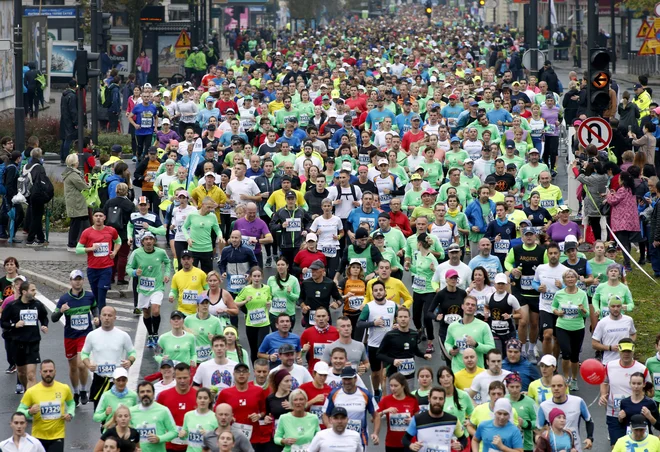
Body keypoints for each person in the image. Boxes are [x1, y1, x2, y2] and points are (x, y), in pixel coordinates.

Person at [52, 269, 98, 406]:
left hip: (85, 335)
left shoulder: (89, 296)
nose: (77, 282)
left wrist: (96, 317)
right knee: (72, 367)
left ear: (83, 281)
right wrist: (61, 311)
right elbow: (53, 318)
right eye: (75, 279)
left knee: (81, 365)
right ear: (70, 281)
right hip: (70, 336)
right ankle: (76, 391)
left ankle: (84, 390)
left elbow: (94, 308)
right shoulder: (64, 299)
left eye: (80, 279)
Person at [600, 338, 652, 446]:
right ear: (619, 350)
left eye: (629, 351)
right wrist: (603, 395)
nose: (626, 354)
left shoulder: (642, 369)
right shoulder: (609, 366)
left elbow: (650, 391)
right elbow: (604, 382)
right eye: (623, 351)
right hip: (613, 413)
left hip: (635, 415)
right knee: (616, 447)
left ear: (633, 351)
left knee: (636, 447)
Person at [82, 306, 137, 409]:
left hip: (116, 381)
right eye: (104, 315)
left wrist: (130, 361)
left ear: (115, 318)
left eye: (110, 315)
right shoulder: (92, 335)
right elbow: (84, 354)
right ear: (100, 317)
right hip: (99, 380)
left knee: (117, 413)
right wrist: (89, 365)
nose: (107, 318)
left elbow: (133, 352)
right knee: (99, 414)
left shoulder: (123, 335)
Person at [0, 281, 49, 393]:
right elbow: (3, 322)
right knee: (22, 373)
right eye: (32, 290)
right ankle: (28, 391)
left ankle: (32, 401)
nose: (35, 292)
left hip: (33, 342)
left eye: (35, 290)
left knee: (31, 374)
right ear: (24, 292)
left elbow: (44, 317)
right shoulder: (12, 306)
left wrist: (45, 325)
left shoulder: (37, 305)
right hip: (17, 343)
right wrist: (14, 325)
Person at [17, 360, 75, 452]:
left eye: (51, 371)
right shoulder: (32, 391)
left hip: (57, 436)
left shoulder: (64, 388)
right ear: (40, 372)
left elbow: (71, 403)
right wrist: (29, 412)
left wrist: (70, 414)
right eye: (45, 371)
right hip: (38, 437)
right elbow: (20, 411)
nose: (48, 374)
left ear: (55, 371)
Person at [126, 231, 171, 348]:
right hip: (143, 288)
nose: (149, 241)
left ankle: (155, 334)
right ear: (142, 242)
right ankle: (150, 334)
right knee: (146, 312)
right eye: (146, 239)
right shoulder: (136, 253)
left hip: (157, 287)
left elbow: (167, 262)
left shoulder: (161, 252)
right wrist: (135, 272)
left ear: (154, 241)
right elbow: (128, 268)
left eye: (151, 239)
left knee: (155, 310)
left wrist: (166, 274)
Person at [358, 280, 398, 399]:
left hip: (389, 345)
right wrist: (373, 323)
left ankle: (387, 398)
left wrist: (397, 325)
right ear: (372, 293)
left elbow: (400, 318)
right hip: (374, 345)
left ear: (385, 292)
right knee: (375, 373)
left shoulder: (392, 305)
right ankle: (376, 392)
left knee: (385, 374)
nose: (378, 292)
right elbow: (359, 324)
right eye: (376, 290)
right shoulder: (369, 307)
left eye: (381, 290)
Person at [322, 367, 380, 449]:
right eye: (344, 379)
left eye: (349, 379)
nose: (347, 382)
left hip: (359, 439)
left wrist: (375, 433)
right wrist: (328, 425)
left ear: (355, 379)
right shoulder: (334, 393)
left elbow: (376, 415)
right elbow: (325, 414)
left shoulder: (366, 394)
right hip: (338, 438)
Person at [77, 209, 122, 311]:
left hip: (106, 269)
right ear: (92, 217)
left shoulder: (111, 230)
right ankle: (97, 318)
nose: (98, 218)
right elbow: (78, 249)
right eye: (96, 216)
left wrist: (114, 252)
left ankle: (102, 323)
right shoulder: (87, 232)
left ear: (104, 218)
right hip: (92, 269)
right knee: (96, 297)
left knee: (101, 297)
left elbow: (118, 241)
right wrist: (91, 249)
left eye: (101, 216)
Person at [551, 269, 589, 389]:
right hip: (562, 326)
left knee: (575, 356)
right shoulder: (559, 293)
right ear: (564, 280)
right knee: (566, 353)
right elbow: (553, 307)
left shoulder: (582, 294)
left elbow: (586, 314)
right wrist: (558, 312)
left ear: (576, 279)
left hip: (578, 327)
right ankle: (566, 378)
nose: (570, 279)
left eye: (572, 277)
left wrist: (582, 310)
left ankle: (574, 379)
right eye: (568, 277)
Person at [377, 307, 432, 387]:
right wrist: (393, 361)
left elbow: (415, 350)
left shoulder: (414, 334)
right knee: (394, 398)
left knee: (409, 397)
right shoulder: (390, 335)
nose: (403, 319)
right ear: (396, 319)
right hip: (394, 375)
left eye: (405, 317)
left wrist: (423, 355)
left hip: (410, 374)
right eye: (400, 317)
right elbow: (379, 354)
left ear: (409, 318)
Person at [537, 375, 594, 452]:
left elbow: (589, 420)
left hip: (575, 448)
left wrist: (589, 438)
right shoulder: (544, 406)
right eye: (553, 386)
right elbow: (538, 429)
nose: (556, 388)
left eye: (559, 385)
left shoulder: (578, 401)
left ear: (566, 387)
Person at [402, 387, 468, 452]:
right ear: (429, 399)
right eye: (434, 398)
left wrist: (460, 446)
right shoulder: (417, 419)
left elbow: (463, 439)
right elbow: (405, 439)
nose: (437, 401)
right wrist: (411, 445)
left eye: (441, 399)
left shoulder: (453, 420)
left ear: (444, 400)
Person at [533, 242, 567, 360]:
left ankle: (554, 363)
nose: (553, 255)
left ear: (559, 254)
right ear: (547, 255)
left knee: (557, 339)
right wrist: (538, 288)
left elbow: (573, 288)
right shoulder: (541, 268)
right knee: (547, 335)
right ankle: (547, 361)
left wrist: (562, 286)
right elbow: (535, 281)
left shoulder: (565, 270)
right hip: (545, 307)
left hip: (559, 309)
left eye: (555, 253)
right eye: (551, 253)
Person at [444, 295, 495, 373]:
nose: (470, 306)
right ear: (462, 306)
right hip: (457, 371)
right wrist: (450, 350)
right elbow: (447, 342)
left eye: (473, 305)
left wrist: (476, 344)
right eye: (467, 304)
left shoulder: (483, 326)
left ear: (476, 308)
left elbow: (491, 349)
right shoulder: (452, 326)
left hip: (477, 372)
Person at [129, 381, 178, 452]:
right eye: (142, 392)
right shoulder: (131, 411)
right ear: (138, 395)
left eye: (148, 391)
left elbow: (174, 432)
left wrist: (159, 438)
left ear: (153, 393)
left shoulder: (163, 410)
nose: (145, 394)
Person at [377, 373, 419, 452]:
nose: (393, 389)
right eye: (391, 386)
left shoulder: (412, 400)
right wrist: (385, 411)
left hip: (409, 443)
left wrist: (412, 420)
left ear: (403, 386)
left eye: (396, 386)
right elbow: (373, 418)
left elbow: (419, 420)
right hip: (392, 444)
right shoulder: (386, 400)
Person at [592, 296, 637, 365]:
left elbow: (633, 333)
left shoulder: (628, 320)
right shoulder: (602, 322)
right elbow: (594, 344)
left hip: (626, 361)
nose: (616, 309)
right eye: (613, 306)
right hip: (609, 362)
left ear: (621, 307)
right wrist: (610, 348)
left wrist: (629, 343)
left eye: (618, 306)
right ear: (608, 307)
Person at [24, 148, 53, 246]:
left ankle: (40, 237)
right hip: (37, 195)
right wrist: (47, 194)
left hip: (27, 193)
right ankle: (30, 238)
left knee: (36, 215)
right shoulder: (39, 168)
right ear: (40, 156)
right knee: (36, 217)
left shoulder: (27, 166)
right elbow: (42, 183)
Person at [62, 153, 90, 251]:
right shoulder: (73, 175)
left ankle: (77, 242)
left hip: (75, 201)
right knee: (75, 223)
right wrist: (89, 185)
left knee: (78, 222)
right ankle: (72, 244)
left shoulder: (70, 173)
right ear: (75, 163)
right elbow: (83, 186)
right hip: (76, 202)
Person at [169, 250, 209, 317]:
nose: (186, 261)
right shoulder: (176, 276)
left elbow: (208, 288)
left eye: (188, 259)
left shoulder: (201, 273)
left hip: (198, 312)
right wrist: (171, 296)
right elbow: (173, 291)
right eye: (184, 259)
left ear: (192, 260)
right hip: (182, 311)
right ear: (181, 261)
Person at [504, 372, 536, 452]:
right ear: (507, 387)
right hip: (507, 446)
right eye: (512, 387)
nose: (514, 390)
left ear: (521, 386)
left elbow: (539, 423)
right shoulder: (503, 400)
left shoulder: (530, 402)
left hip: (526, 446)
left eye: (517, 387)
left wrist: (525, 423)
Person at [179, 388, 218, 452]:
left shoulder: (215, 417)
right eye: (200, 398)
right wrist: (182, 435)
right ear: (196, 400)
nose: (202, 400)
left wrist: (208, 435)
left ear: (210, 400)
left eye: (205, 398)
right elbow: (184, 436)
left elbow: (219, 440)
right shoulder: (188, 415)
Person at [266, 257, 300, 326]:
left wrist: (289, 293)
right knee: (275, 336)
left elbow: (296, 297)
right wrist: (269, 300)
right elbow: (268, 295)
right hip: (274, 314)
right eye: (278, 265)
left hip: (289, 314)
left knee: (287, 336)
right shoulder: (271, 279)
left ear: (287, 266)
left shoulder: (294, 280)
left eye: (282, 265)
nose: (280, 267)